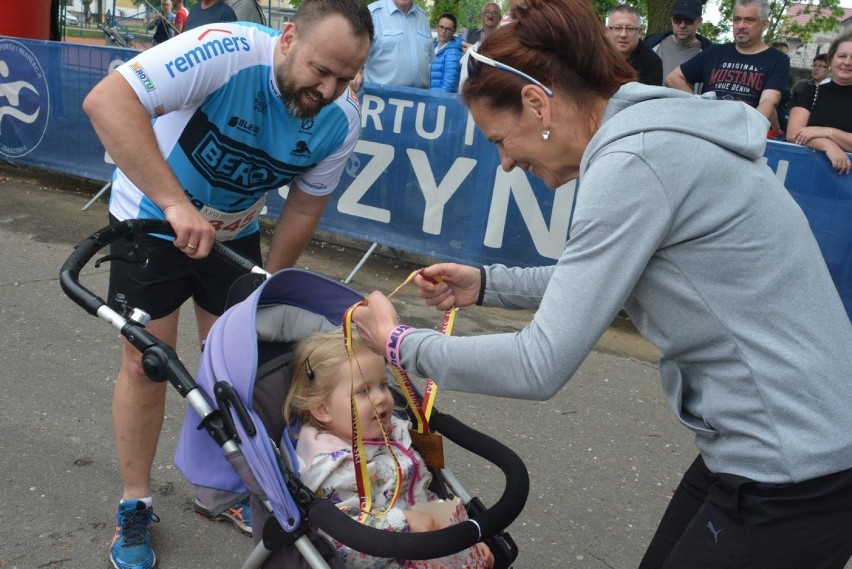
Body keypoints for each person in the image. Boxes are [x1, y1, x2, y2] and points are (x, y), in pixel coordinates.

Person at [350, 0, 852, 567]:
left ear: (537, 103)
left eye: (498, 140)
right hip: (772, 443)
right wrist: (488, 284)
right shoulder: (649, 133)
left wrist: (398, 345)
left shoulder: (633, 159)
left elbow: (537, 365)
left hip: (795, 465)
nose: (507, 163)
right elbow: (595, 275)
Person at [81, 0, 374, 567]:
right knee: (148, 365)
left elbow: (304, 209)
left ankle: (227, 488)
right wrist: (172, 203)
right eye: (321, 70)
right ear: (287, 38)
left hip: (233, 234)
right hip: (151, 216)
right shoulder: (227, 49)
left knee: (240, 371)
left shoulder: (343, 118)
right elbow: (108, 101)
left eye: (346, 76)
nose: (330, 88)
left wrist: (271, 282)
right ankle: (135, 504)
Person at [284, 329, 494, 568]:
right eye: (363, 391)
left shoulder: (392, 434)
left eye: (383, 385)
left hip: (424, 546)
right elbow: (344, 543)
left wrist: (464, 539)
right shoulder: (334, 469)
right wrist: (404, 522)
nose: (382, 397)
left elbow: (421, 495)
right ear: (323, 410)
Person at [666, 0, 789, 122]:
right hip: (707, 126)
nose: (741, 26)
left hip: (744, 130)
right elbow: (673, 78)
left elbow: (769, 102)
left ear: (764, 24)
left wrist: (749, 128)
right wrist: (700, 105)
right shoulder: (715, 52)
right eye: (736, 19)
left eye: (749, 20)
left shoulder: (777, 60)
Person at [787, 30, 852, 175]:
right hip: (806, 174)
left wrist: (827, 132)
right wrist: (829, 146)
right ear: (831, 60)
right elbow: (792, 134)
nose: (847, 62)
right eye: (842, 56)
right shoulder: (811, 91)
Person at [359, 0, 434, 89]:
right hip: (381, 97)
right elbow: (354, 54)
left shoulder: (423, 17)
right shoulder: (373, 13)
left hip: (419, 97)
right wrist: (356, 74)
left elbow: (430, 59)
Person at [644, 0, 712, 81]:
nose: (682, 25)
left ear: (699, 21)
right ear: (672, 21)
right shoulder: (651, 43)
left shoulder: (709, 53)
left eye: (688, 20)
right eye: (677, 20)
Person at [606, 5, 662, 86]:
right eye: (618, 28)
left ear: (639, 32)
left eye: (630, 29)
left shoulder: (652, 63)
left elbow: (650, 97)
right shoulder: (594, 55)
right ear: (608, 31)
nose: (623, 35)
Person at [430, 13, 463, 92]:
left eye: (447, 29)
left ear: (453, 31)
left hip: (438, 101)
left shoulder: (453, 52)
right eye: (441, 27)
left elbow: (449, 86)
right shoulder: (435, 47)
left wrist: (435, 101)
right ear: (437, 27)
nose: (443, 31)